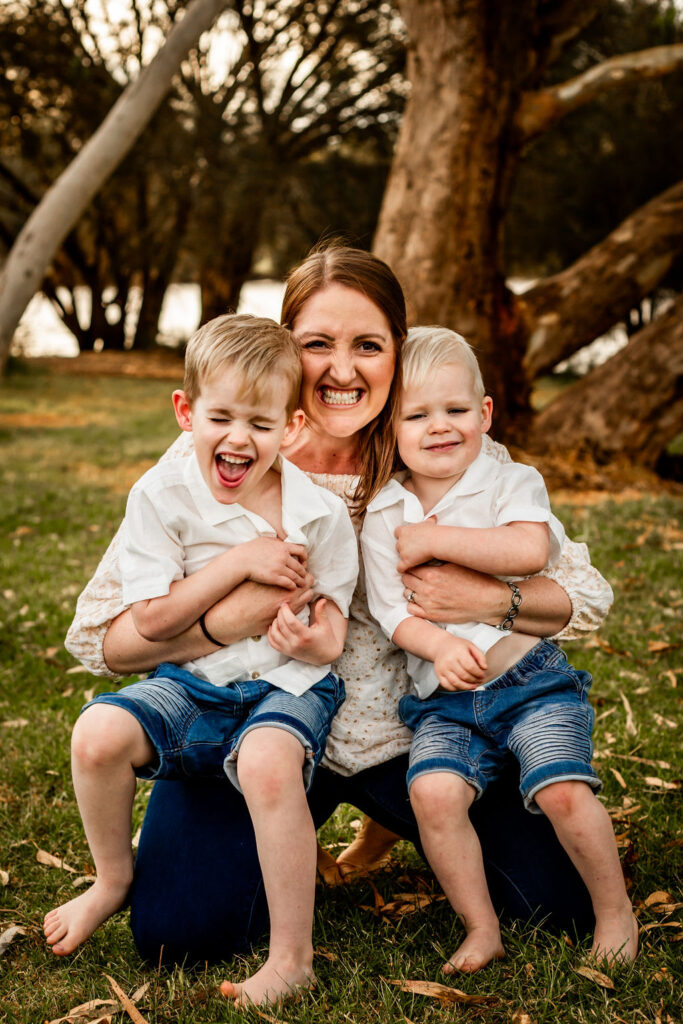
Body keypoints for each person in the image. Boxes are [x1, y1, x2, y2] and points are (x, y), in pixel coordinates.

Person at [63, 244, 614, 986]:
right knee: (178, 934)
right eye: (316, 344)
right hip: (257, 715)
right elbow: (110, 643)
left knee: (558, 907)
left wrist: (488, 598)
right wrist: (233, 615)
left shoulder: (437, 444)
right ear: (285, 347)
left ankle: (391, 826)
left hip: (415, 733)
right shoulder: (221, 455)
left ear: (399, 350)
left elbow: (578, 597)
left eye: (368, 345)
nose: (342, 370)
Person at [46, 314, 358, 1005]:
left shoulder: (318, 516)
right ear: (186, 412)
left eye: (261, 422)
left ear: (292, 428)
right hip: (192, 680)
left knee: (266, 763)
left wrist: (316, 642)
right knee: (96, 735)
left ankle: (290, 958)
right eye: (221, 416)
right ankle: (112, 878)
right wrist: (241, 564)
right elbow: (153, 622)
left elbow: (333, 617)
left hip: (287, 681)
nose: (239, 438)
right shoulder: (160, 496)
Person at [361, 326, 637, 973]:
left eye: (455, 410)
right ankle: (479, 927)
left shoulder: (507, 479)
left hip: (528, 683)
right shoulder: (384, 509)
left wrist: (435, 543)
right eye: (417, 414)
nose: (439, 427)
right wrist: (436, 643)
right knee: (432, 794)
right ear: (390, 429)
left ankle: (614, 912)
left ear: (484, 413)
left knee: (562, 790)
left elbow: (528, 552)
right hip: (444, 702)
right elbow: (389, 611)